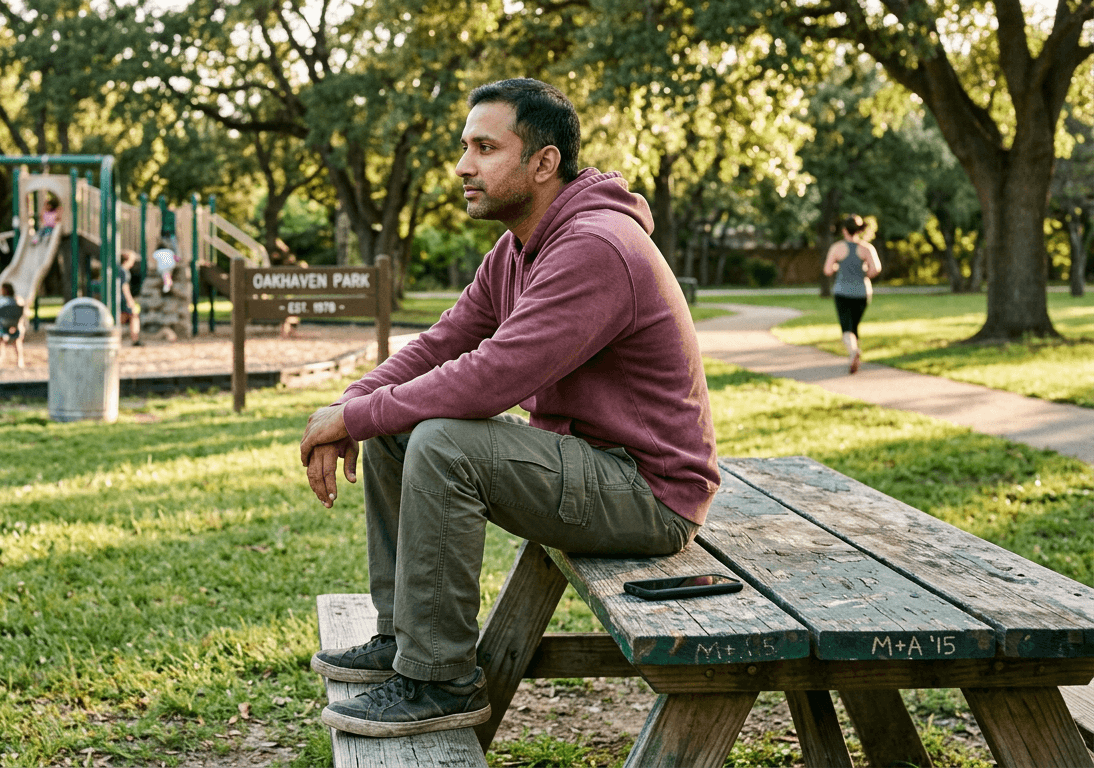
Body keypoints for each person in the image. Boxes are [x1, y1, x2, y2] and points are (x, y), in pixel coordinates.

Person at [299, 78, 719, 738]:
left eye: (485, 147)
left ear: (543, 163)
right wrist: (349, 405)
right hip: (590, 467)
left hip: (649, 494)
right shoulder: (520, 248)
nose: (463, 165)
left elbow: (492, 377)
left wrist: (354, 418)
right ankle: (404, 638)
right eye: (464, 147)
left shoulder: (596, 246)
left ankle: (441, 682)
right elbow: (444, 342)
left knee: (439, 438)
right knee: (396, 429)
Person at [823, 214, 882, 374]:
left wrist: (838, 267)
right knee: (854, 326)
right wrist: (864, 274)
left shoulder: (837, 248)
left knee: (847, 327)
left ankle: (853, 351)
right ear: (859, 229)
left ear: (844, 230)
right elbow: (875, 269)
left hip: (842, 292)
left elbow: (827, 270)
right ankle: (854, 353)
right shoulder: (866, 248)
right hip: (862, 293)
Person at [0, 281, 27, 368]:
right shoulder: (17, 299)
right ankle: (20, 359)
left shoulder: (1, 300)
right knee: (17, 341)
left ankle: (0, 354)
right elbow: (23, 310)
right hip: (16, 325)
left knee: (0, 338)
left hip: (4, 325)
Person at [118, 250, 142, 346]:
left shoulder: (121, 270)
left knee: (126, 318)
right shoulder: (123, 271)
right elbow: (124, 287)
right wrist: (130, 300)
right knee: (133, 316)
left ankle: (134, 339)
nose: (133, 263)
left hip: (121, 298)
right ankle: (135, 339)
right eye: (132, 260)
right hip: (123, 299)